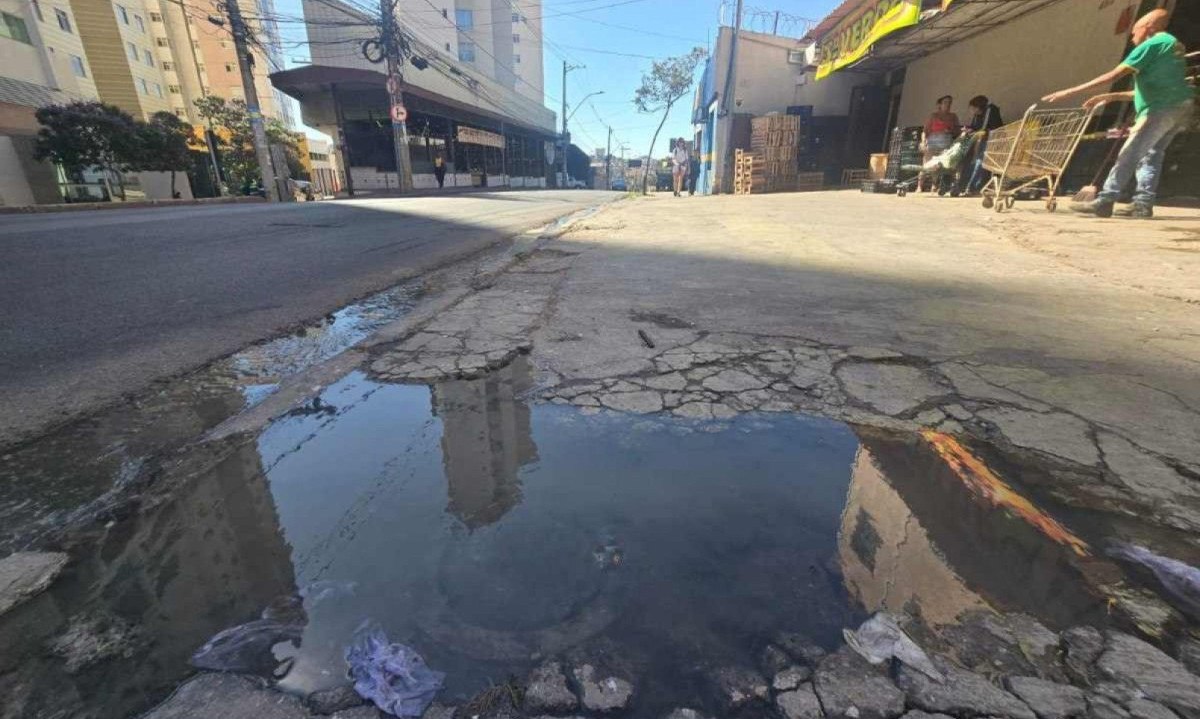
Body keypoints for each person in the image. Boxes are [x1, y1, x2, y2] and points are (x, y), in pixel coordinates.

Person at [1042, 9, 1193, 218]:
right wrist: (1110, 97)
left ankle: (1106, 200)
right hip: (1179, 107)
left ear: (1147, 28)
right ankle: (1142, 204)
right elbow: (1150, 89)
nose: (1132, 38)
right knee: (1151, 155)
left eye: (1134, 32)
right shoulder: (1171, 44)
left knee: (1129, 153)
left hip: (1160, 108)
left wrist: (1069, 91)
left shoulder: (1152, 44)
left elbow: (1114, 75)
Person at [957, 95, 1003, 195]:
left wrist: (975, 132)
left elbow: (984, 128)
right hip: (983, 139)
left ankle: (973, 186)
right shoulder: (977, 115)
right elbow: (975, 127)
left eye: (973, 108)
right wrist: (968, 130)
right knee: (973, 160)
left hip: (993, 140)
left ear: (978, 107)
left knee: (980, 161)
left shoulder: (990, 110)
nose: (972, 111)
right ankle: (966, 185)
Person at [921, 95, 960, 192]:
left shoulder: (953, 117)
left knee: (941, 164)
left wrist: (950, 130)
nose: (948, 105)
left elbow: (957, 131)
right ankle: (919, 185)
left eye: (950, 102)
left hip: (946, 142)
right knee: (927, 163)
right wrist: (923, 142)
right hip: (933, 142)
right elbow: (925, 131)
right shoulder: (933, 116)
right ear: (939, 104)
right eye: (945, 102)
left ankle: (935, 185)